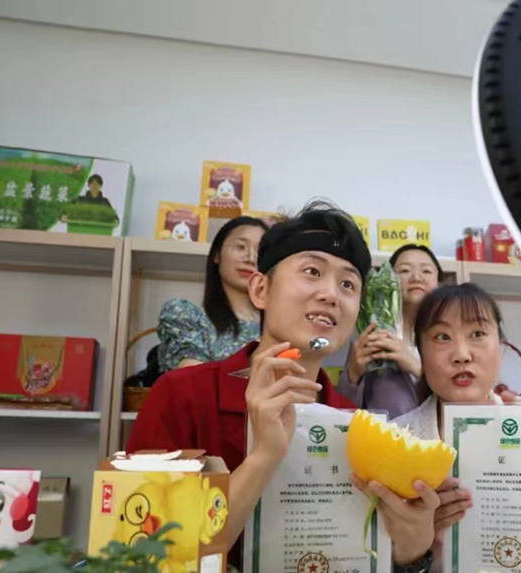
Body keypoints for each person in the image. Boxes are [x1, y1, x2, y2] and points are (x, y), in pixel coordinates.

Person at [128, 200, 437, 572]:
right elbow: (144, 558)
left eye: (348, 284)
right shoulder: (181, 395)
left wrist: (410, 553)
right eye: (312, 271)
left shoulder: (352, 423)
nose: (331, 294)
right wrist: (263, 457)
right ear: (260, 289)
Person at [381, 283, 521, 568]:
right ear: (421, 354)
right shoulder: (396, 439)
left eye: (477, 334)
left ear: (500, 345)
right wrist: (417, 540)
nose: (462, 354)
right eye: (442, 337)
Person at [335, 244, 443, 418]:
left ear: (439, 284)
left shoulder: (449, 341)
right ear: (388, 280)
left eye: (426, 271)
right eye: (405, 270)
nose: (416, 277)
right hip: (383, 435)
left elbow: (459, 402)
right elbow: (340, 412)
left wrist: (415, 366)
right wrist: (353, 373)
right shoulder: (371, 338)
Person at [157, 216, 269, 371]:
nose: (251, 259)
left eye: (260, 251)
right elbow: (193, 378)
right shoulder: (185, 317)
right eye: (241, 247)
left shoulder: (279, 324)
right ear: (217, 254)